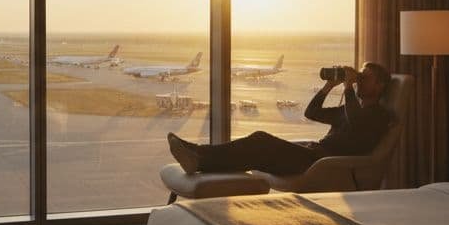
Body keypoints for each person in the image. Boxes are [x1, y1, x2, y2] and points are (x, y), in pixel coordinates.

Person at [167, 62, 394, 176]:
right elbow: (311, 113)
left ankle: (198, 158)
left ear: (380, 85)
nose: (360, 81)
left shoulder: (380, 116)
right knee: (254, 151)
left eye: (366, 78)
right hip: (311, 154)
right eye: (359, 78)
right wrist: (328, 87)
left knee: (259, 140)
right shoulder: (349, 109)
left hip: (322, 165)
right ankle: (197, 155)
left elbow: (357, 123)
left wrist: (347, 87)